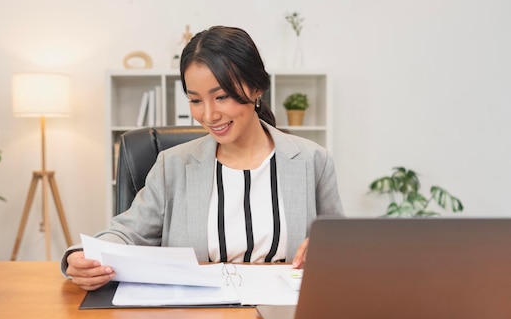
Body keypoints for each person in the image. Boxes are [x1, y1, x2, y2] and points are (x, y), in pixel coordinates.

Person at [62, 26, 343, 291]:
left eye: (221, 97)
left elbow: (341, 245)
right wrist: (85, 256)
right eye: (196, 101)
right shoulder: (172, 165)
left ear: (256, 89)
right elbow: (126, 233)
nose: (209, 116)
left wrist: (328, 249)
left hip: (281, 311)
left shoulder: (312, 160)